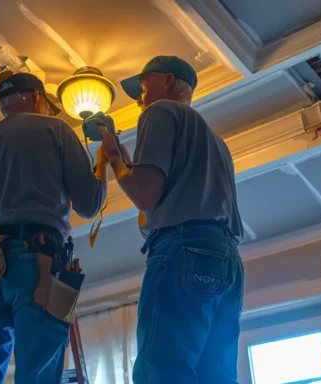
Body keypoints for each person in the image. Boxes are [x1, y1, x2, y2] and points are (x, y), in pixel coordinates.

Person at [98, 56, 246, 384]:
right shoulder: (217, 143)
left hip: (184, 247)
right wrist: (125, 160)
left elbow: (145, 195)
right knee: (216, 375)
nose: (139, 96)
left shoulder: (160, 111)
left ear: (166, 80)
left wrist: (112, 159)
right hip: (227, 258)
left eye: (143, 85)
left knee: (162, 371)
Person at [0, 72, 108, 383]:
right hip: (34, 259)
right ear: (37, 97)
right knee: (37, 370)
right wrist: (104, 162)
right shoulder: (55, 129)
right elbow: (89, 204)